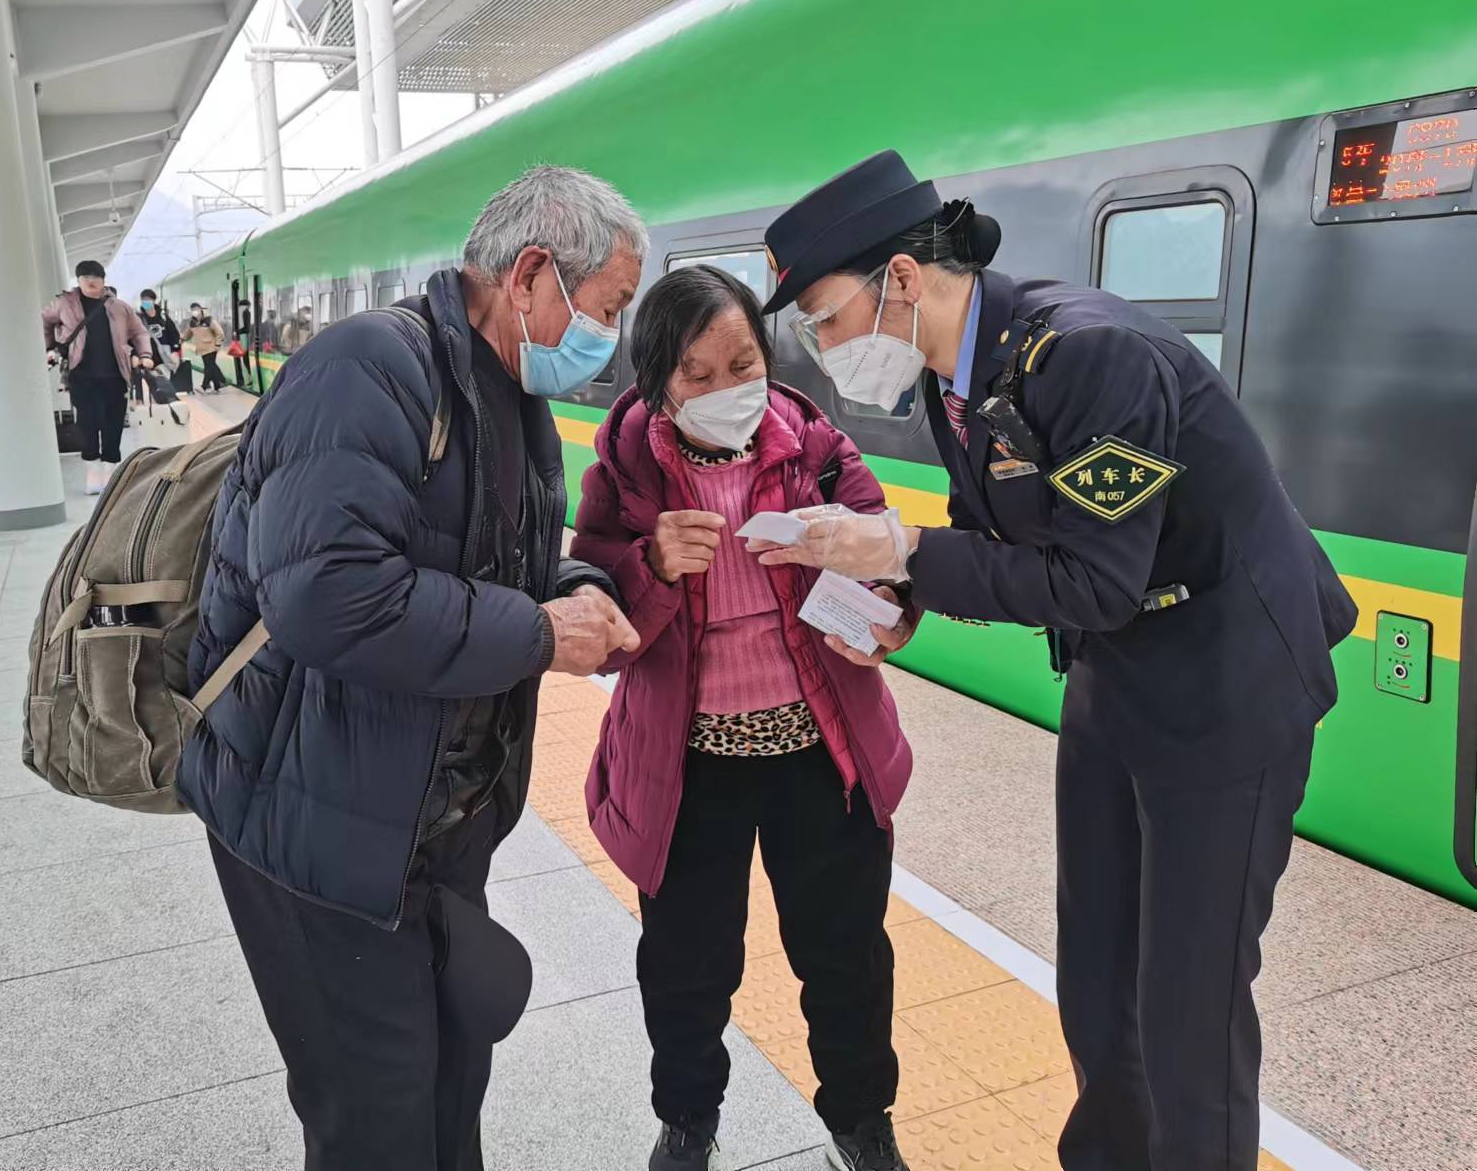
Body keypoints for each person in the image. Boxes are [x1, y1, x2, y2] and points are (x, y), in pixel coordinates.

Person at [754, 151, 1359, 1171]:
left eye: (822, 318)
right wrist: (902, 603)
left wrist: (898, 548)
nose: (819, 348)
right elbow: (999, 533)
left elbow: (1092, 579)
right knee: (1095, 982)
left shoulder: (1089, 356)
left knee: (1187, 1005)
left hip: (1223, 678)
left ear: (899, 279)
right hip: (1114, 675)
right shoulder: (954, 376)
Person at [177, 166, 648, 1171]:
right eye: (606, 308)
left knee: (447, 1078)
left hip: (423, 826)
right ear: (530, 276)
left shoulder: (503, 390)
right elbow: (326, 595)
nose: (609, 338)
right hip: (315, 825)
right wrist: (535, 631)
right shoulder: (367, 367)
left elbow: (481, 559)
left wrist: (575, 588)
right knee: (374, 1111)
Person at [571, 266, 916, 1171]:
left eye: (742, 362)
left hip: (821, 755)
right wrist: (648, 565)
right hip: (688, 766)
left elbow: (888, 570)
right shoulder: (621, 477)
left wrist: (883, 617)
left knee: (846, 958)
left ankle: (861, 1121)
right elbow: (598, 634)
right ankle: (689, 1122)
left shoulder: (816, 449)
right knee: (686, 968)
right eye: (697, 373)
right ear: (657, 383)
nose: (728, 389)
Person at [42, 260, 154, 495]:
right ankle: (93, 470)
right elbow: (44, 320)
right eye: (85, 277)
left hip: (115, 374)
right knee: (87, 422)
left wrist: (144, 354)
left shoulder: (120, 307)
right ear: (78, 280)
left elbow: (139, 331)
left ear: (103, 280)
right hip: (81, 373)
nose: (90, 281)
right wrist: (49, 346)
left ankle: (111, 469)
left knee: (113, 421)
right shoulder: (64, 303)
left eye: (95, 277)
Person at [188, 309, 226, 392]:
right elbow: (189, 332)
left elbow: (220, 333)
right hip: (202, 348)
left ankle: (204, 386)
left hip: (211, 347)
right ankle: (218, 386)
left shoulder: (209, 320)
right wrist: (182, 339)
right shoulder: (194, 322)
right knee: (210, 366)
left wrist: (217, 344)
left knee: (209, 366)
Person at [227, 306, 252, 387]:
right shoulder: (247, 312)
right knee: (246, 359)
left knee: (246, 359)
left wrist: (237, 332)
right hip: (249, 341)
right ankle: (250, 378)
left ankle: (250, 378)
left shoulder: (246, 312)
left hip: (250, 341)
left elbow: (247, 328)